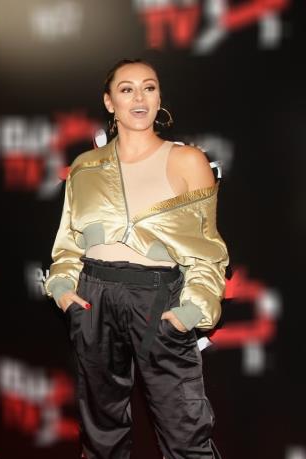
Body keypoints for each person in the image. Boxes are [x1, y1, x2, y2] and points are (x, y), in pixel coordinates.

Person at [44, 59, 228, 458]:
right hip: (93, 298)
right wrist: (61, 288)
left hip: (157, 300)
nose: (139, 97)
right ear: (109, 102)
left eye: (149, 87)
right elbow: (69, 243)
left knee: (185, 431)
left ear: (159, 97)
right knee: (100, 430)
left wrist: (191, 311)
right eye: (126, 89)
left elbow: (207, 251)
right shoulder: (85, 167)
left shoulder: (188, 161)